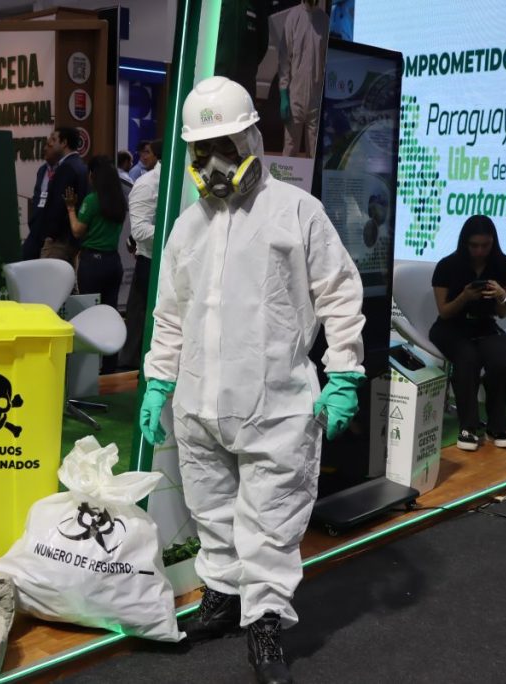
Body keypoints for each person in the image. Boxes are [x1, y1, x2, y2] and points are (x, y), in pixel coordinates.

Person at [139, 76, 365, 684]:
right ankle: (220, 597)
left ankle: (264, 621)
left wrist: (345, 371)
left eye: (226, 147)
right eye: (202, 150)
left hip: (276, 405)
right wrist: (159, 381)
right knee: (211, 509)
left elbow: (340, 295)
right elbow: (171, 314)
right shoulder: (188, 227)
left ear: (252, 141)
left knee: (271, 520)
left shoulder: (296, 212)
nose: (213, 163)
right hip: (199, 403)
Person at [429, 215, 506, 452]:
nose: (479, 251)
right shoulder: (447, 266)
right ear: (465, 242)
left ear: (493, 241)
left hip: (485, 325)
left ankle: (496, 427)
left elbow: (504, 312)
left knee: (501, 363)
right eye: (474, 245)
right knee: (467, 358)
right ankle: (467, 427)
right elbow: (445, 312)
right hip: (450, 327)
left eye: (485, 245)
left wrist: (501, 295)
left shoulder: (505, 265)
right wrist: (465, 297)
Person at [64, 155, 127, 373]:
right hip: (113, 262)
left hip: (92, 263)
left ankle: (88, 369)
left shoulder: (92, 200)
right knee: (111, 314)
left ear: (93, 175)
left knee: (88, 314)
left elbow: (77, 230)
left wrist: (70, 209)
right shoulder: (119, 201)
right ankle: (110, 366)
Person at [119, 145, 162, 370]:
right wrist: (179, 231)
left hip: (177, 261)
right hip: (151, 263)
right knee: (141, 321)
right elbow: (140, 231)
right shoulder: (147, 184)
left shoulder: (189, 181)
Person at [278, 0, 329, 157]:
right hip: (295, 96)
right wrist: (284, 95)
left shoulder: (324, 20)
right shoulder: (293, 17)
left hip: (316, 97)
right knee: (290, 148)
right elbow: (284, 59)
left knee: (314, 151)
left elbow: (327, 60)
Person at [34, 127, 88, 262]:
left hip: (60, 241)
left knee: (48, 274)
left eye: (54, 139)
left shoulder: (66, 168)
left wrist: (50, 234)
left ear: (64, 143)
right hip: (73, 238)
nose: (49, 143)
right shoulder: (81, 165)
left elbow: (58, 205)